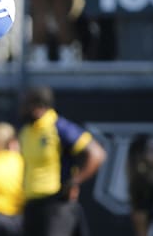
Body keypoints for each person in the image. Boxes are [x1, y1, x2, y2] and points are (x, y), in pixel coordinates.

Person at [18, 86, 106, 236]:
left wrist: (75, 181)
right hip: (32, 205)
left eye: (26, 105)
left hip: (56, 204)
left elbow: (97, 154)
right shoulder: (26, 131)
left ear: (38, 106)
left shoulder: (59, 127)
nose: (22, 109)